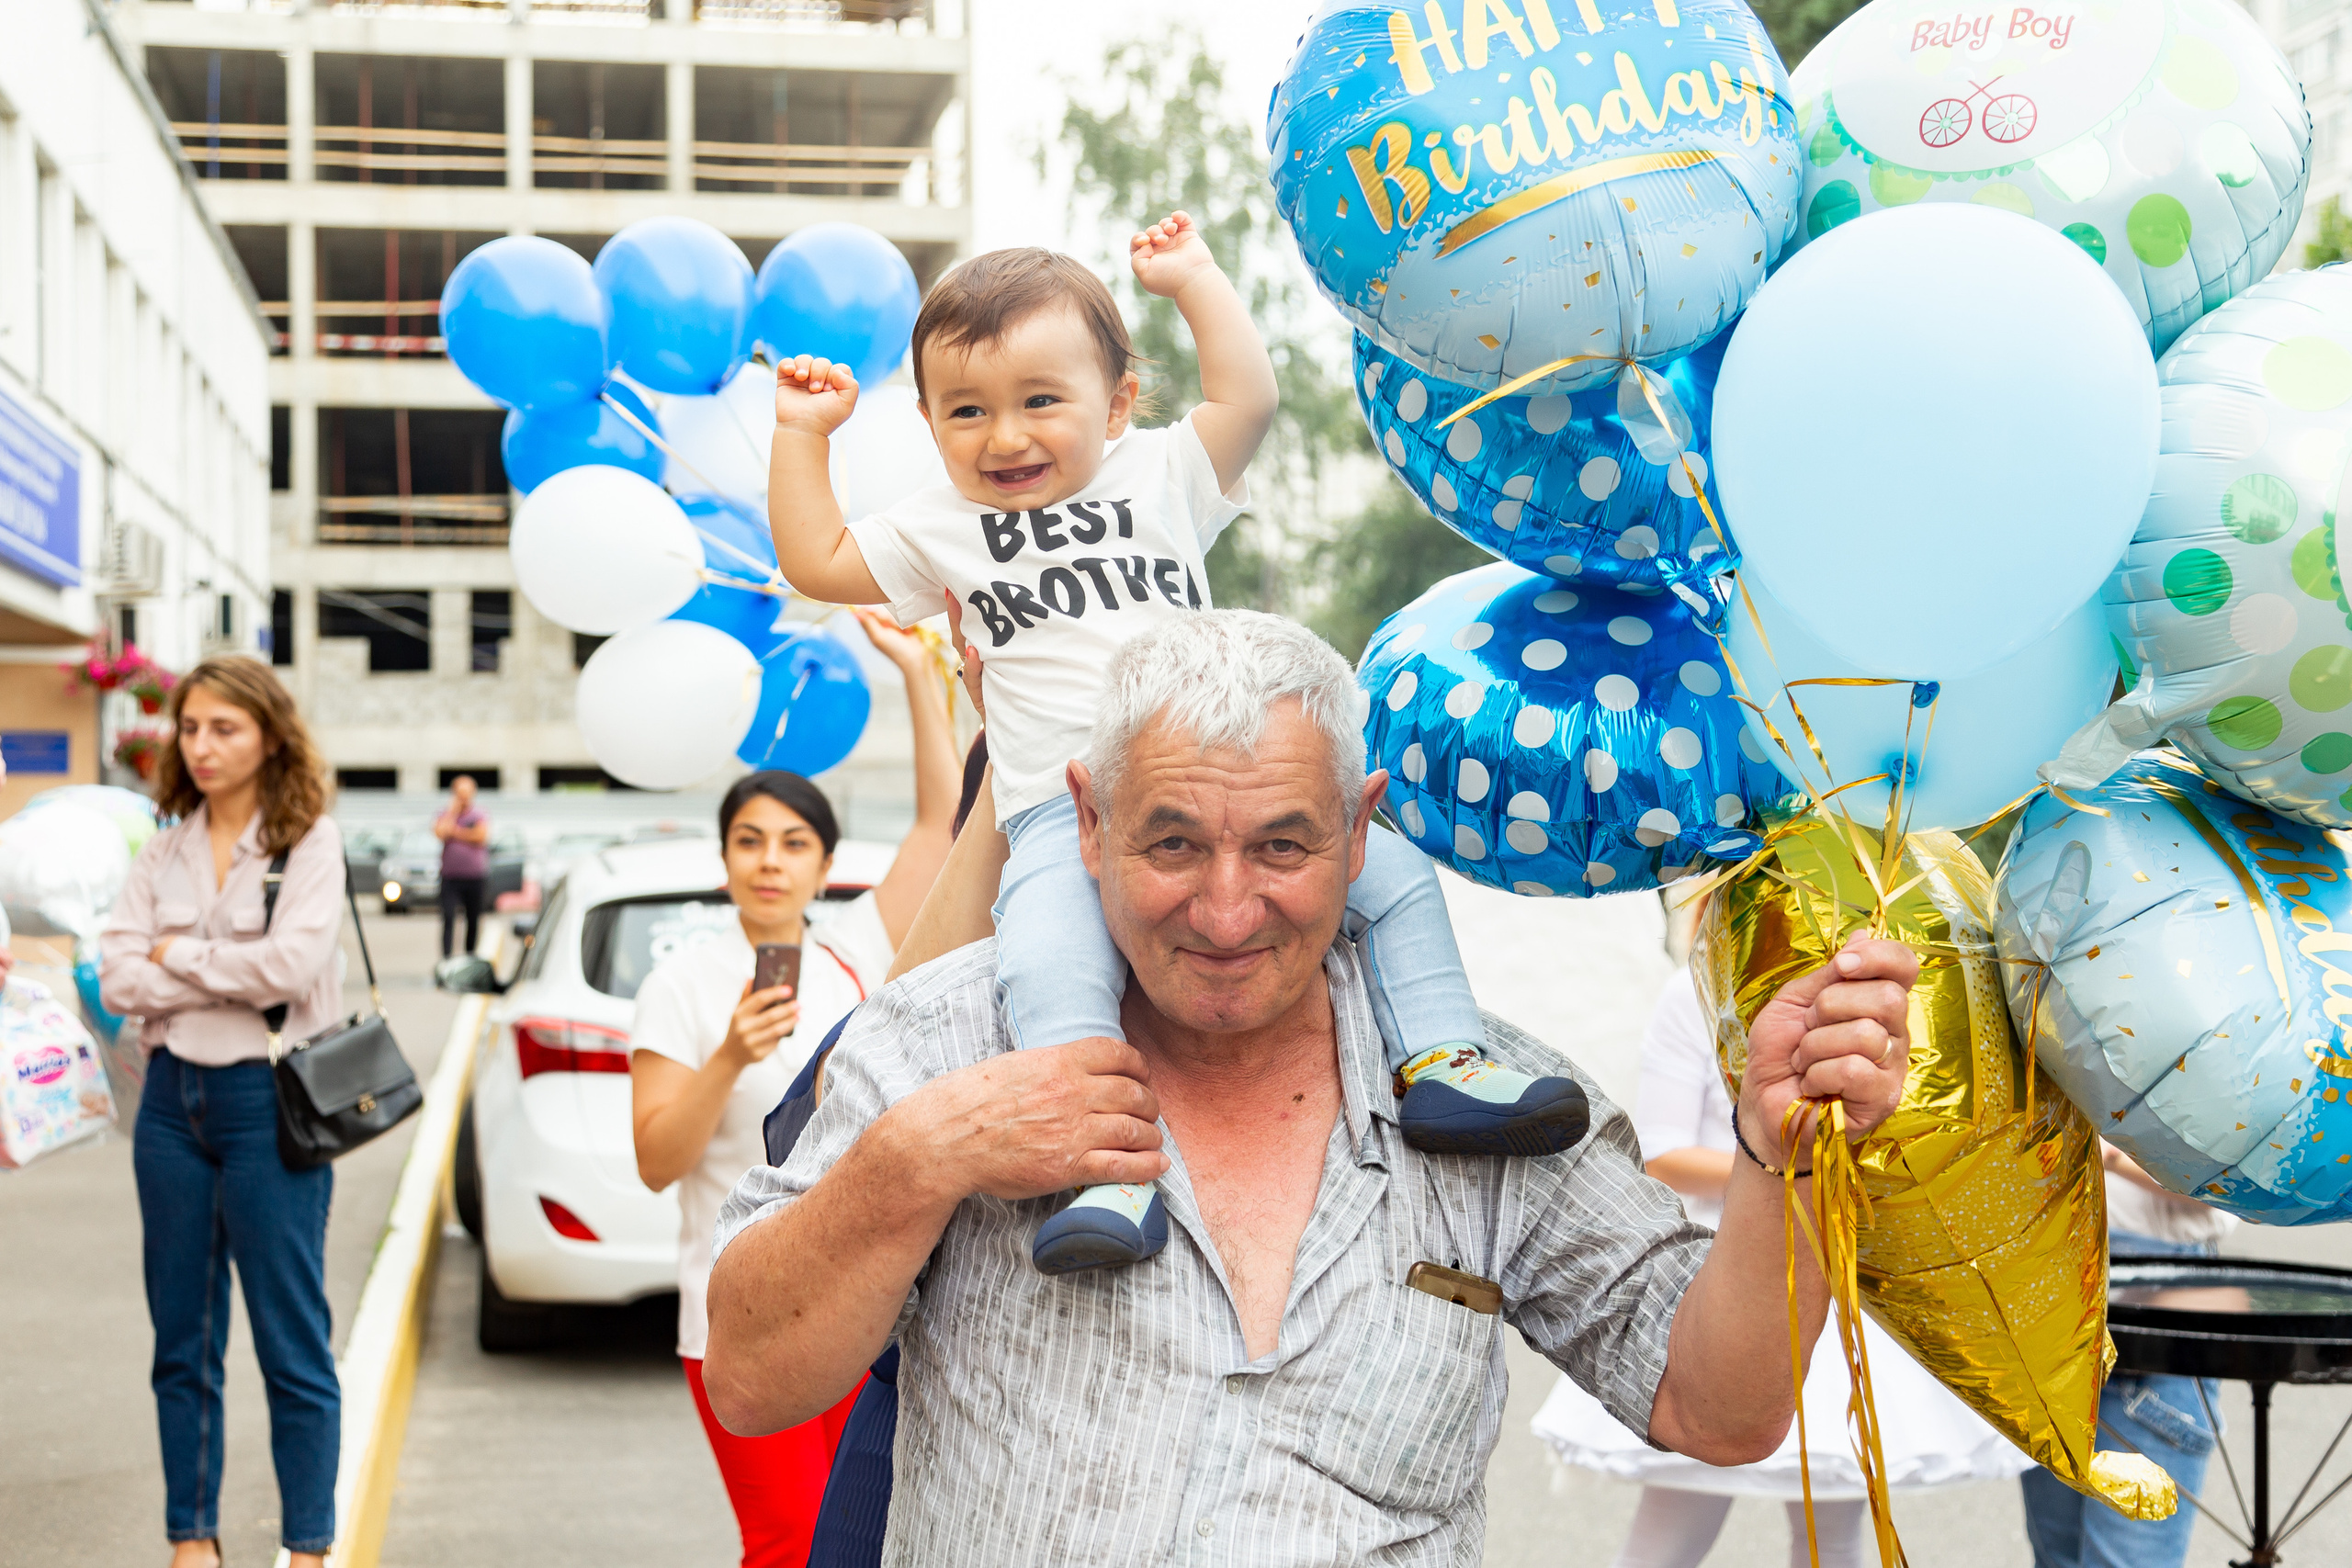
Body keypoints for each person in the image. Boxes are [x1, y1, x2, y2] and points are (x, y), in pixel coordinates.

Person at [700, 611, 1923, 1562]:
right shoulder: (940, 1044)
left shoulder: (1494, 1099)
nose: (1227, 910)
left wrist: (1783, 1160)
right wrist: (920, 1154)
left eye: (1283, 845)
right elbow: (755, 1381)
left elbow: (1716, 1406)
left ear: (1360, 830)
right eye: (1172, 841)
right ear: (1085, 820)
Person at [766, 218, 1582, 1277]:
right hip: (1072, 813)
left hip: (1223, 779)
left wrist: (1193, 281)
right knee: (1048, 962)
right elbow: (819, 560)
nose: (1004, 437)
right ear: (928, 426)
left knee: (1387, 871)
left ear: (1116, 404)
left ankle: (1441, 1058)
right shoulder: (939, 527)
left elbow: (1249, 400)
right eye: (966, 412)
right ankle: (1103, 1167)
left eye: (1040, 402)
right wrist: (801, 434)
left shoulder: (1155, 475)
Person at [628, 606, 959, 1568]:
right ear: (725, 858)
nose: (769, 861)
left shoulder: (855, 948)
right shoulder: (682, 983)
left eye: (792, 843)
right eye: (749, 841)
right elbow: (657, 1163)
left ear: (822, 863)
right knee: (783, 1544)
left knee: (864, 1540)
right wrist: (729, 1055)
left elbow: (943, 821)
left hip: (861, 1298)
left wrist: (912, 670)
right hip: (734, 1311)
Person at [1534, 970, 2029, 1568]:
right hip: (1722, 1266)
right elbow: (1663, 1156)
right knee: (1676, 1518)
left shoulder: (1854, 1004)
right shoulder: (1693, 994)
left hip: (1829, 1269)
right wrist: (1784, 1167)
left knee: (1834, 1518)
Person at [99, 656, 346, 1568]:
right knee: (182, 1341)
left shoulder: (307, 841)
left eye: (224, 729)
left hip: (267, 1102)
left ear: (270, 736)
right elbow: (117, 972)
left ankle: (309, 1548)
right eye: (191, 729)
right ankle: (191, 1541)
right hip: (169, 1105)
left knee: (292, 1345)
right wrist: (191, 962)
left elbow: (287, 969)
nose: (201, 746)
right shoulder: (161, 847)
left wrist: (174, 957)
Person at [2018, 1144, 2235, 1568]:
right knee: (2056, 1553)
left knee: (2124, 1557)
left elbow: (2230, 1189)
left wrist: (2106, 1155)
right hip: (2048, 1281)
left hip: (2158, 1291)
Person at [433, 773, 490, 959]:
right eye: (460, 794)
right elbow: (440, 832)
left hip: (474, 877)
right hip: (450, 877)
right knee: (448, 918)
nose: (463, 798)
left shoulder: (479, 814)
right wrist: (452, 813)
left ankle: (469, 957)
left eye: (466, 794)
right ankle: (447, 960)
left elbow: (480, 837)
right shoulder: (446, 814)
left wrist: (455, 832)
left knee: (473, 920)